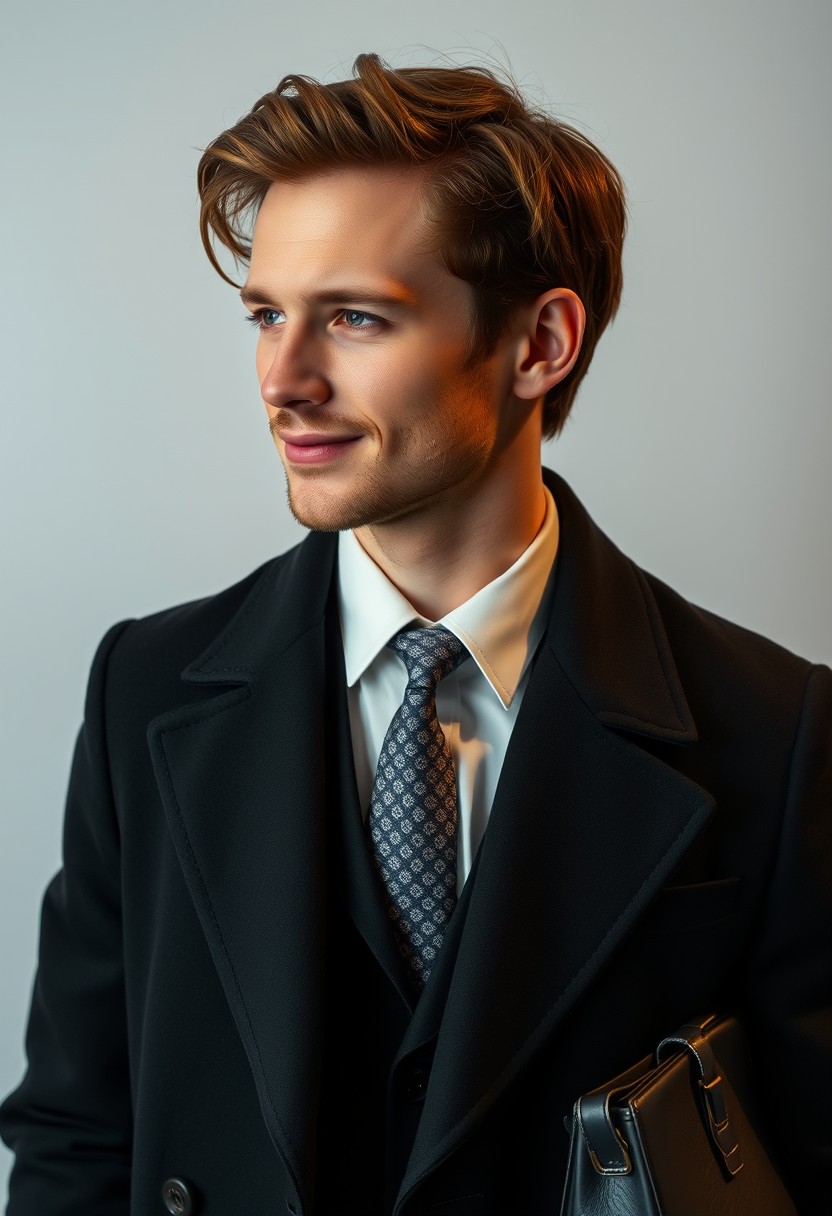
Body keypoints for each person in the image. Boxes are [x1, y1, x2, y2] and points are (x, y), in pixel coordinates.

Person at [1, 52, 829, 1216]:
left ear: (540, 343)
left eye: (352, 316)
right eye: (265, 315)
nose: (281, 380)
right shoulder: (143, 689)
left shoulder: (772, 727)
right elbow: (76, 1138)